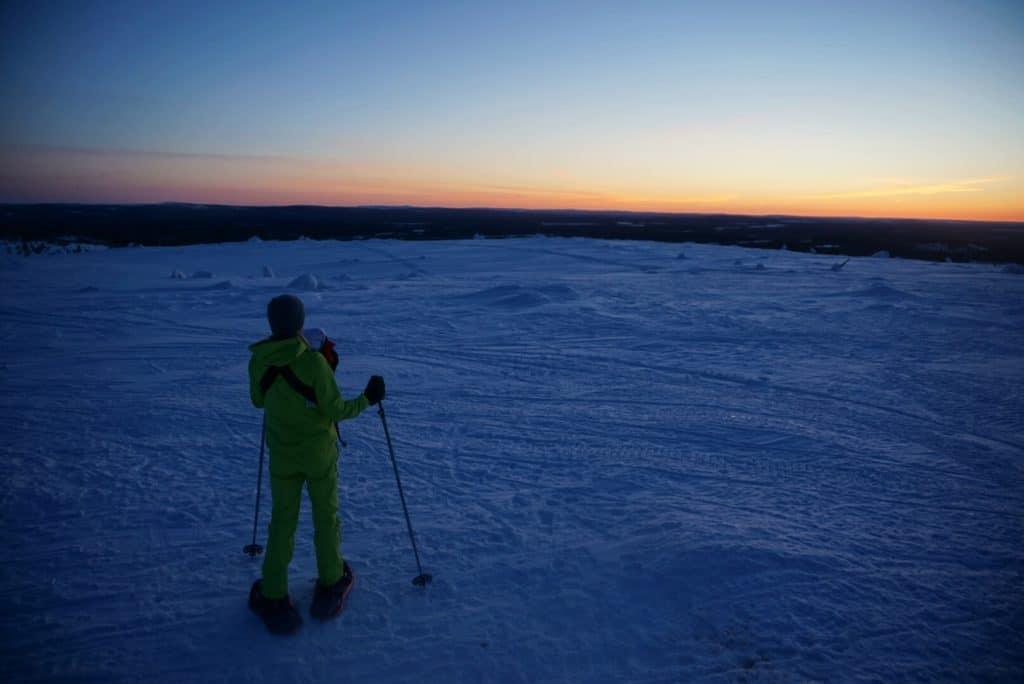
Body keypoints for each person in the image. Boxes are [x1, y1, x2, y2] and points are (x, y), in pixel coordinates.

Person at [246, 294, 385, 634]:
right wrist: (368, 398)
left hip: (282, 455)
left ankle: (274, 593)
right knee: (325, 515)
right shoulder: (313, 363)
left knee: (282, 522)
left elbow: (258, 400)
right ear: (299, 322)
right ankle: (331, 578)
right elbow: (336, 410)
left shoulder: (259, 361)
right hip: (319, 455)